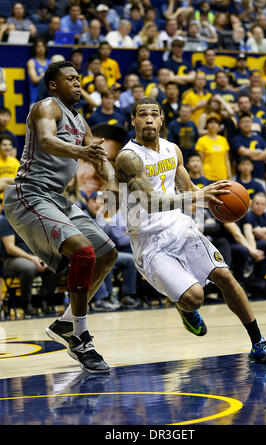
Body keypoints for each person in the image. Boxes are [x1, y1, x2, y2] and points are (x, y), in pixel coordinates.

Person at [114, 96, 266, 364]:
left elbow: (189, 188)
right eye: (142, 114)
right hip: (150, 242)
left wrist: (213, 196)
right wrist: (196, 197)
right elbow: (148, 201)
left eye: (154, 114)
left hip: (181, 227)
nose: (148, 119)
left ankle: (258, 341)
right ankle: (184, 307)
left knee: (224, 275)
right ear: (133, 120)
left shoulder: (172, 150)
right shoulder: (128, 157)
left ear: (161, 119)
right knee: (195, 298)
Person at [4, 61, 118, 373]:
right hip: (30, 193)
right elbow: (47, 141)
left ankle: (67, 322)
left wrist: (110, 182)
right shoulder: (46, 107)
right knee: (83, 252)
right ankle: (80, 336)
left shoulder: (80, 120)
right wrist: (83, 153)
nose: (78, 83)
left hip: (58, 198)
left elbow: (99, 158)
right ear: (54, 85)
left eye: (79, 78)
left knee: (107, 254)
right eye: (70, 78)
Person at [0, 214, 65, 317]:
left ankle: (42, 299)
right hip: (11, 260)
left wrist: (42, 257)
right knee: (29, 267)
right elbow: (10, 248)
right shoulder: (6, 222)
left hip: (35, 257)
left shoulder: (31, 221)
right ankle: (25, 304)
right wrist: (33, 258)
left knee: (58, 267)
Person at [195, 113, 232, 181]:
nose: (213, 125)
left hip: (223, 176)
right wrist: (202, 176)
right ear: (207, 125)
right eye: (210, 122)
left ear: (219, 126)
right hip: (208, 177)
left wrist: (229, 175)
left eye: (216, 123)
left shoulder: (223, 140)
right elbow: (200, 161)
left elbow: (227, 160)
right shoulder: (201, 141)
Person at [26, 38, 51, 109]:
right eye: (38, 46)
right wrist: (46, 73)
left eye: (42, 46)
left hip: (49, 101)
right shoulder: (31, 62)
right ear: (34, 48)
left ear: (45, 48)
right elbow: (35, 80)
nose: (41, 48)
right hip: (35, 100)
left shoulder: (50, 62)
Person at [0, 135, 20, 201]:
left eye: (10, 145)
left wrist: (5, 179)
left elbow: (20, 181)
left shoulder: (14, 161)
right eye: (4, 145)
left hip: (14, 199)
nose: (8, 147)